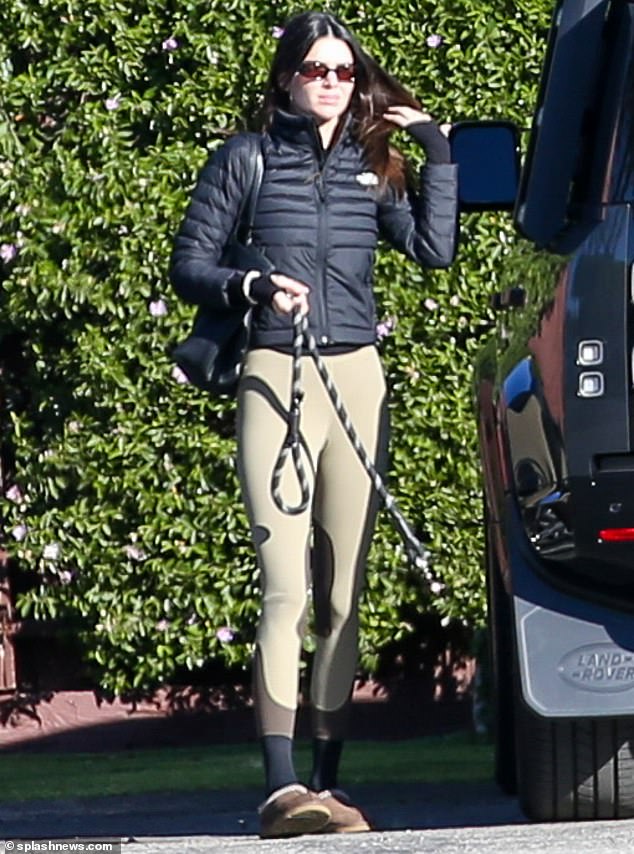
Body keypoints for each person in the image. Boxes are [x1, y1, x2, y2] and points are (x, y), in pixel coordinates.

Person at [170, 10, 458, 839]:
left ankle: (328, 791)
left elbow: (435, 254)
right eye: (315, 70)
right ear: (286, 77)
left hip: (356, 376)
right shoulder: (246, 158)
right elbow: (191, 266)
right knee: (286, 585)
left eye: (343, 71)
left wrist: (436, 151)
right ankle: (280, 788)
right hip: (275, 370)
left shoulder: (376, 167)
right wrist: (256, 287)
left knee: (342, 593)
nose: (331, 83)